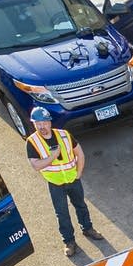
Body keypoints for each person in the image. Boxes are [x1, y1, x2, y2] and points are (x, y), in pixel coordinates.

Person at [24, 107, 104, 258]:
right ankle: (69, 242)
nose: (41, 127)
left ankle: (88, 228)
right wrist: (53, 156)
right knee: (62, 213)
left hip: (73, 179)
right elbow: (36, 165)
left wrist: (79, 173)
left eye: (44, 123)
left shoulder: (64, 135)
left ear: (49, 122)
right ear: (34, 124)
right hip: (55, 184)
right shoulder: (32, 142)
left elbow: (79, 153)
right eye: (37, 123)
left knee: (81, 205)